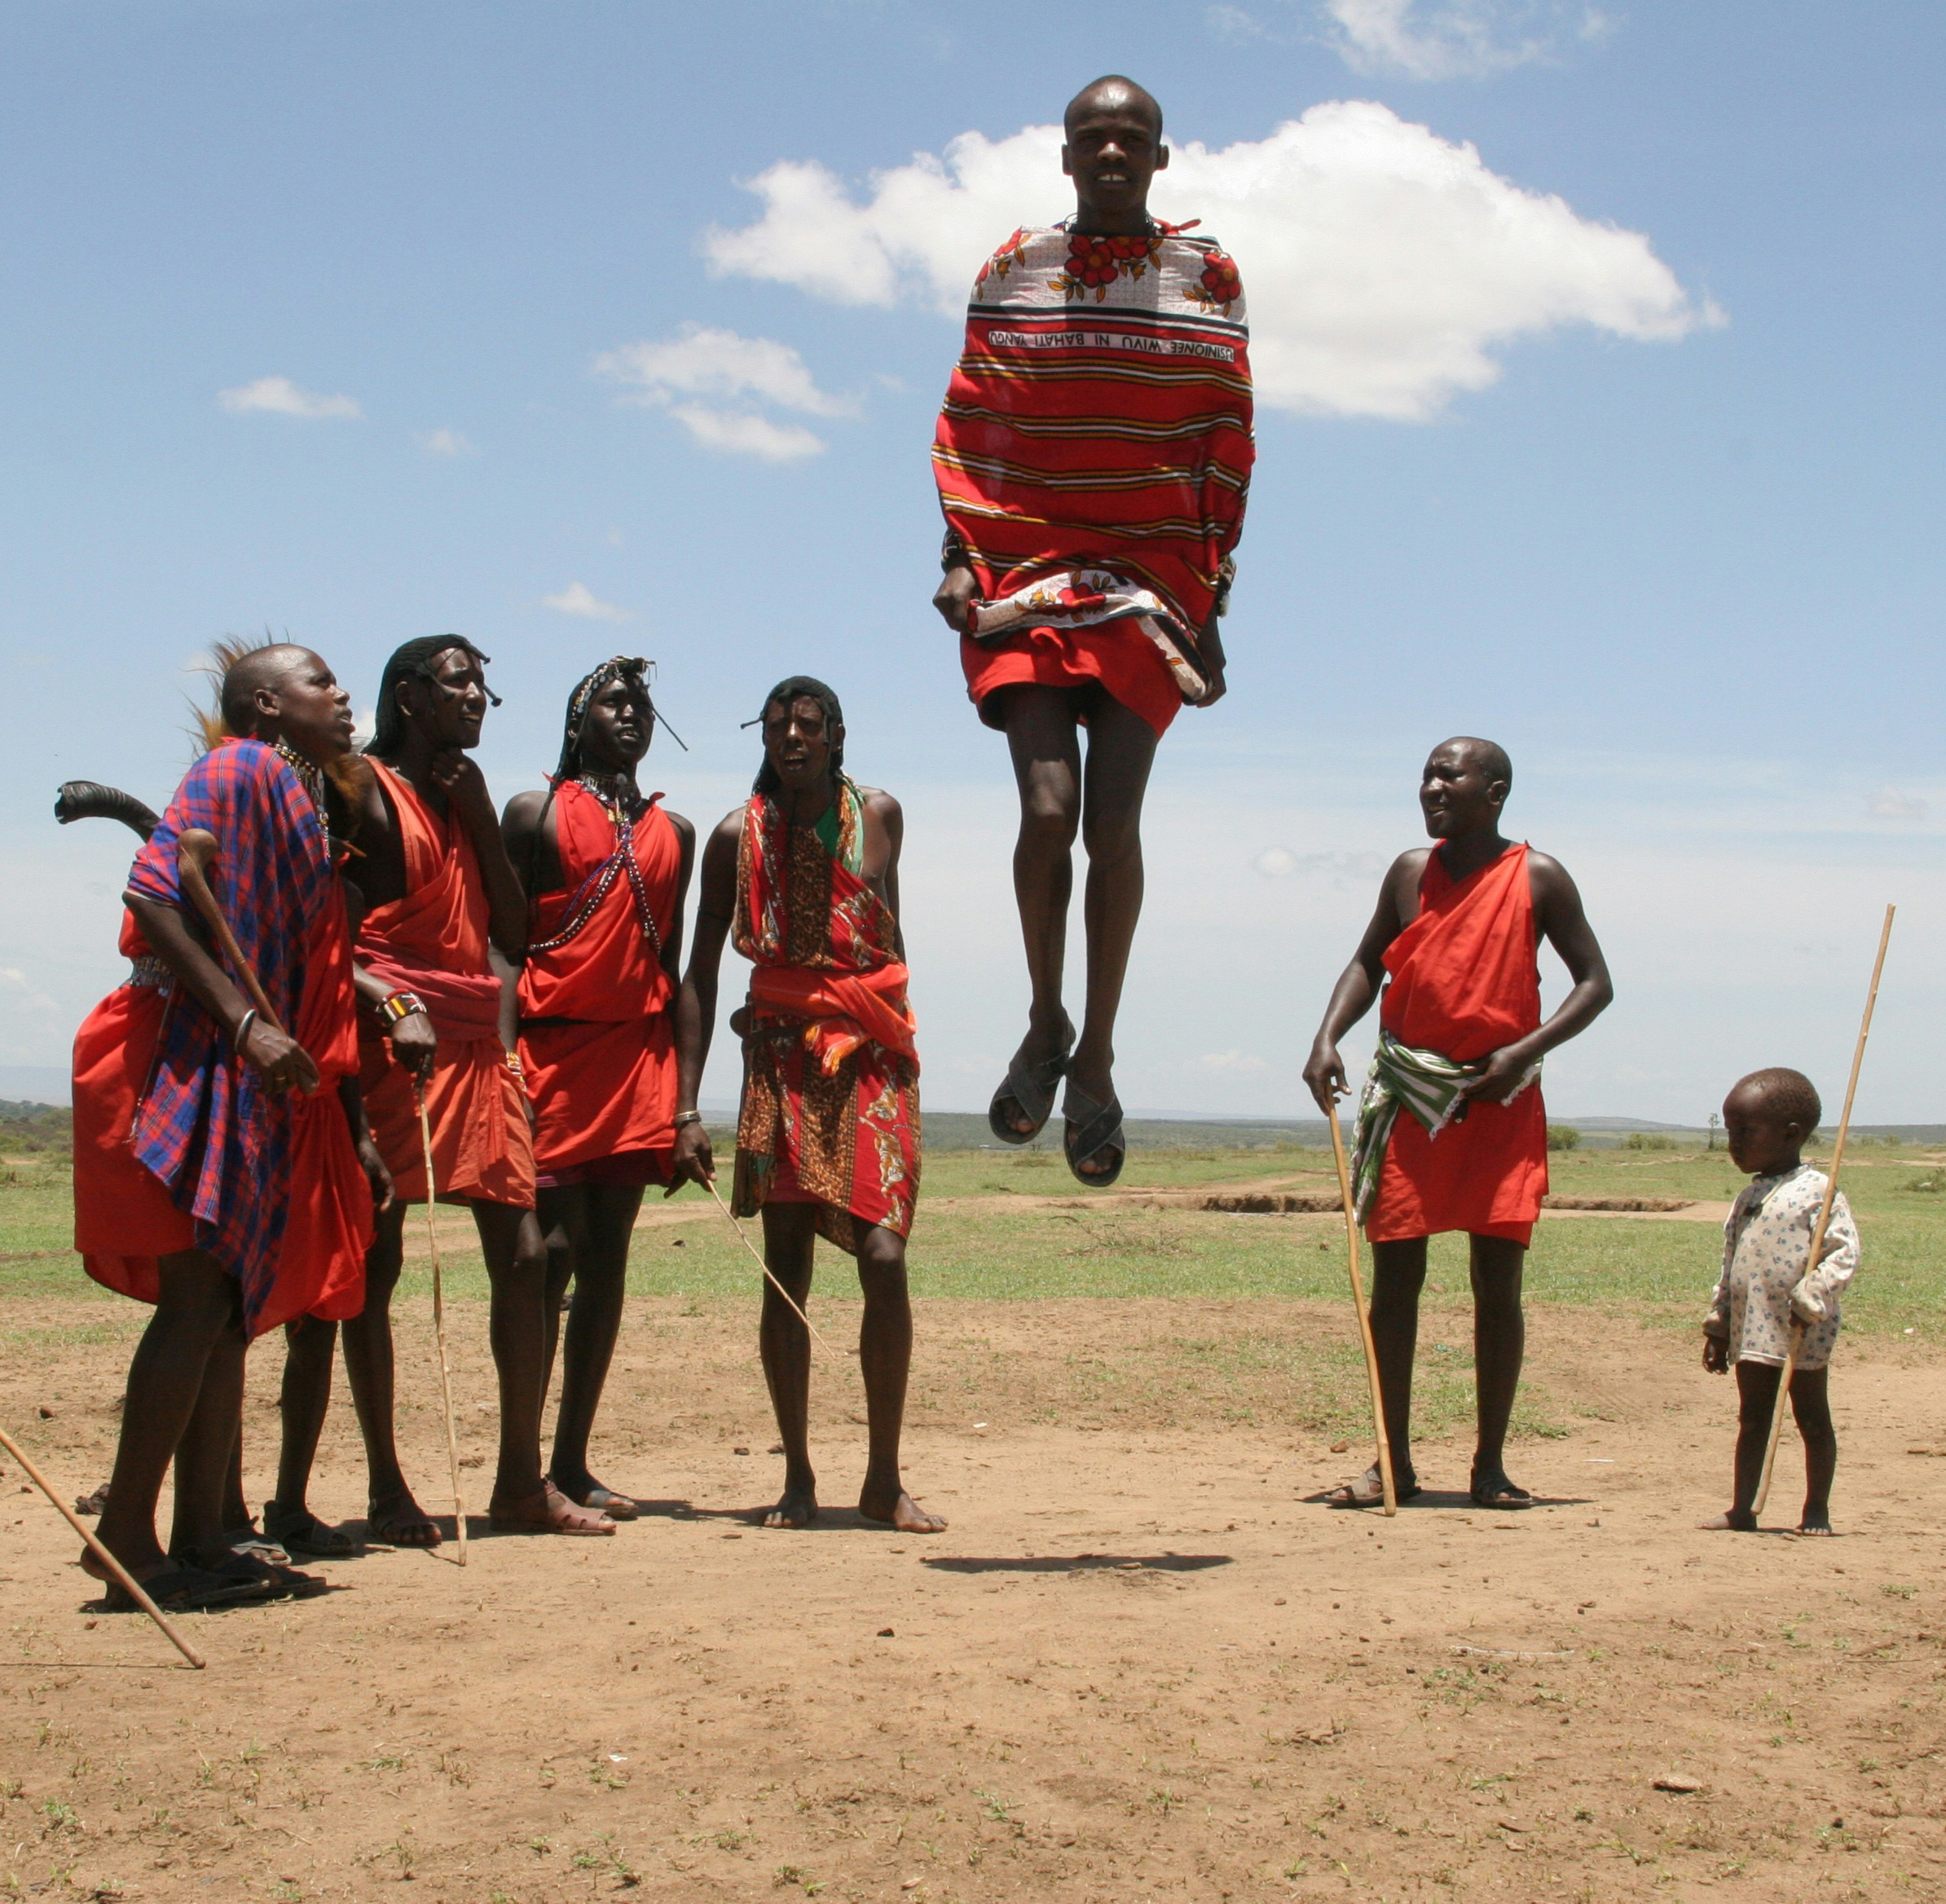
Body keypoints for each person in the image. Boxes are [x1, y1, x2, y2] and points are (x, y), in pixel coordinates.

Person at [931, 73, 1254, 1187]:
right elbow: (973, 423)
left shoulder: (1205, 277)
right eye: (1092, 138)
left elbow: (1220, 439)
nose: (1112, 153)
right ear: (1065, 156)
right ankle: (1045, 1020)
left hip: (1152, 584)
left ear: (1160, 157)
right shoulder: (1014, 270)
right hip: (1025, 571)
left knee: (1111, 824)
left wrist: (1212, 601)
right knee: (1047, 809)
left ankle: (1100, 1055)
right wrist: (957, 557)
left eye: (1131, 138)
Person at [274, 635, 614, 1546]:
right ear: (409, 695)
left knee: (528, 1256)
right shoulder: (356, 789)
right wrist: (386, 1004)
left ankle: (518, 1482)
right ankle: (388, 1488)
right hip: (391, 1043)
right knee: (374, 1266)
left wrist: (478, 816)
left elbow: (513, 933)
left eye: (482, 685)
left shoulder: (464, 796)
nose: (478, 698)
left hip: (474, 1044)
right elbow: (322, 935)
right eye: (460, 681)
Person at [70, 643, 390, 1607]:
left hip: (240, 1063)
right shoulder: (236, 766)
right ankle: (127, 1541)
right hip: (183, 1049)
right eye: (320, 681)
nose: (341, 694)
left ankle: (203, 1535)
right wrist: (248, 1024)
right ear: (266, 703)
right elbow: (153, 892)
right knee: (198, 1296)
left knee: (223, 1305)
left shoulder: (290, 791)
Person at [1302, 738, 1614, 1510]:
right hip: (1411, 1098)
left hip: (1498, 1101)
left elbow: (1595, 984)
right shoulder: (1410, 872)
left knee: (1497, 1285)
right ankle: (1392, 1463)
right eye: (1426, 776)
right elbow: (1368, 963)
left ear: (1495, 790)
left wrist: (1523, 1051)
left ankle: (1491, 1467)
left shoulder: (1538, 876)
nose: (1432, 787)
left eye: (1450, 775)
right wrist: (1327, 1036)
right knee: (1394, 1285)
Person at [670, 677, 943, 1534]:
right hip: (781, 1060)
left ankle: (884, 1478)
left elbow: (890, 937)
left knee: (885, 1256)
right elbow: (700, 973)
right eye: (778, 726)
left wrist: (892, 1025)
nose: (792, 736)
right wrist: (685, 1108)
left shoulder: (882, 815)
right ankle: (797, 1476)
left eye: (808, 725)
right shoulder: (734, 836)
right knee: (785, 1266)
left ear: (836, 735)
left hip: (870, 1057)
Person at [501, 657, 694, 1517]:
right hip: (547, 1055)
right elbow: (504, 948)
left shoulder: (674, 830)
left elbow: (673, 966)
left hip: (636, 1059)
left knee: (608, 1259)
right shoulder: (533, 812)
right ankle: (522, 1467)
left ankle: (572, 1461)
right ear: (577, 721)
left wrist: (684, 1100)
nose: (631, 714)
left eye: (642, 705)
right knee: (548, 1254)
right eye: (614, 702)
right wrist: (503, 1060)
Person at [1700, 1068, 1856, 1536]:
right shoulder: (1748, 1196)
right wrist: (1719, 1324)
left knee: (1812, 1419)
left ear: (1790, 1134)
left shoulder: (1819, 1192)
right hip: (1751, 1330)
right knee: (1753, 1420)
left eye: (1745, 1132)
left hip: (1799, 1330)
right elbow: (1730, 1265)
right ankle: (1742, 1510)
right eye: (1731, 1132)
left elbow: (1844, 1253)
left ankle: (1816, 1511)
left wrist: (1814, 1292)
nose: (1734, 1144)